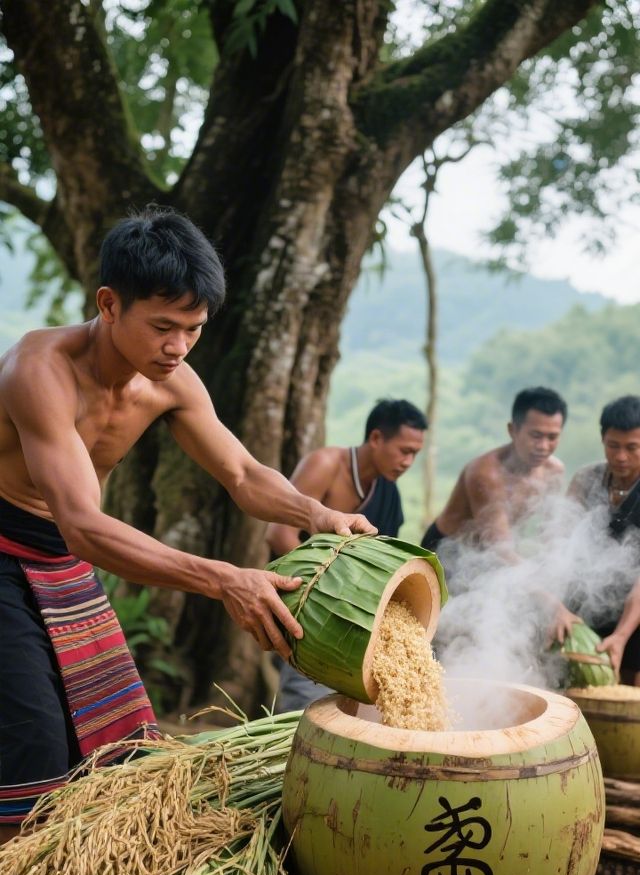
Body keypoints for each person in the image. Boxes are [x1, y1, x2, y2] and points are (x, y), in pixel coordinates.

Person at [0, 206, 375, 840]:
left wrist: (319, 513)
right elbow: (85, 526)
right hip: (13, 551)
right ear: (110, 304)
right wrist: (225, 578)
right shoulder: (39, 371)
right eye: (163, 327)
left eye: (193, 329)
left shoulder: (170, 380)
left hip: (64, 567)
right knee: (31, 747)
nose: (177, 347)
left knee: (115, 754)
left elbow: (244, 475)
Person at [266, 398, 427, 709]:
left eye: (416, 455)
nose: (408, 462)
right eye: (404, 451)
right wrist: (331, 584)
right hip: (303, 606)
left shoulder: (388, 490)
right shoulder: (326, 464)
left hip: (349, 614)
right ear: (377, 438)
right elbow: (278, 533)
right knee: (303, 702)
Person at [421, 387, 568, 557]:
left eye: (552, 437)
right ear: (513, 430)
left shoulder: (554, 471)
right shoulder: (485, 474)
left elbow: (550, 532)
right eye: (536, 435)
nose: (543, 446)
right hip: (448, 550)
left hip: (491, 552)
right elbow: (500, 549)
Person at [568, 395, 640, 684]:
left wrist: (622, 635)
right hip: (589, 601)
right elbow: (557, 547)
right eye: (613, 446)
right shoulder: (586, 480)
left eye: (632, 448)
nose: (621, 456)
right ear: (602, 440)